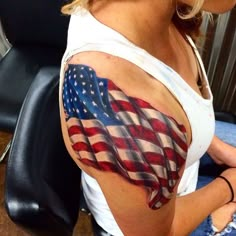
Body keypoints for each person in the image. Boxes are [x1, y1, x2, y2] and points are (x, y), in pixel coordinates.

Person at [59, 0, 236, 235]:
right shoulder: (128, 109)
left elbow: (182, 104)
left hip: (184, 156)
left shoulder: (140, 13)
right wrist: (228, 186)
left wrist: (215, 147)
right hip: (162, 222)